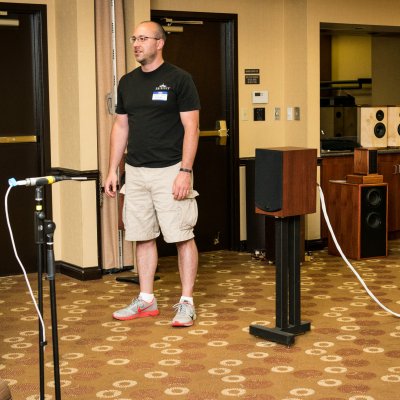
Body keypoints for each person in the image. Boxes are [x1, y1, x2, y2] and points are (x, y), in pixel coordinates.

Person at [104, 21, 201, 327]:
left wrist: (185, 171)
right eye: (134, 38)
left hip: (170, 170)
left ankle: (186, 302)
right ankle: (146, 299)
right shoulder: (127, 82)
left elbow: (192, 128)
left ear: (160, 43)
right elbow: (121, 126)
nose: (136, 43)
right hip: (135, 172)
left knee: (182, 236)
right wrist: (113, 170)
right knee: (142, 235)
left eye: (143, 38)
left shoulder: (179, 79)